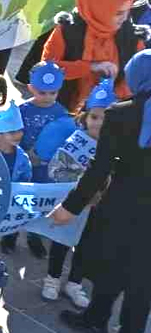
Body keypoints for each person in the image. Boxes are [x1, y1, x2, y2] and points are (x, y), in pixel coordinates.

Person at [42, 80, 110, 307]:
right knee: (61, 241)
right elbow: (55, 168)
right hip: (72, 203)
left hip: (98, 208)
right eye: (94, 117)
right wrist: (78, 185)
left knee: (86, 246)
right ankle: (52, 278)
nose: (99, 123)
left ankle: (74, 282)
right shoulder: (76, 142)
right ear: (85, 117)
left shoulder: (116, 147)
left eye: (105, 118)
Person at [43, 0, 147, 113]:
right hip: (60, 108)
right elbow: (47, 69)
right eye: (118, 13)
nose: (125, 18)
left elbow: (137, 78)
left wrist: (107, 99)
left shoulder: (131, 36)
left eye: (127, 12)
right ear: (98, 10)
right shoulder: (68, 30)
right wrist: (90, 67)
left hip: (104, 115)